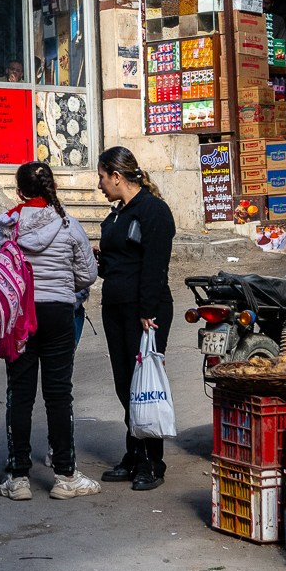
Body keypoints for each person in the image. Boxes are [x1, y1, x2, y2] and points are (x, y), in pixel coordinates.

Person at [0, 161, 97, 503]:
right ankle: (65, 475)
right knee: (58, 394)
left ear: (20, 191)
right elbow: (88, 273)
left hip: (20, 316)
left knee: (19, 394)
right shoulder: (68, 224)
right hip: (57, 314)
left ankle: (19, 477)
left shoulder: (8, 225)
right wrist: (66, 289)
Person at [94, 147, 176, 490]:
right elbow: (117, 260)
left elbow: (155, 265)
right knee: (125, 385)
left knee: (143, 386)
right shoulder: (118, 214)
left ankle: (151, 463)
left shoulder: (153, 211)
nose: (99, 185)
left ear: (117, 175)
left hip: (145, 312)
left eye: (101, 176)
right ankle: (134, 454)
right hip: (116, 308)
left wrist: (147, 312)